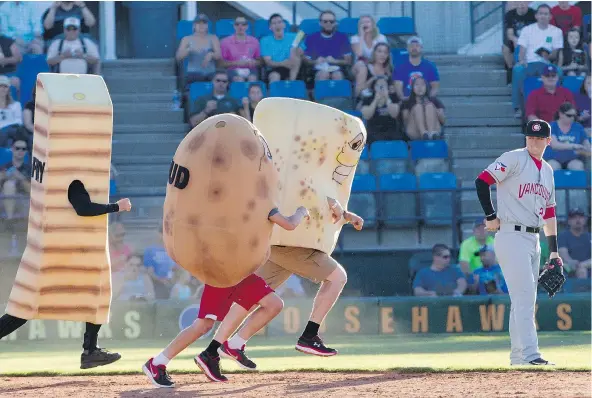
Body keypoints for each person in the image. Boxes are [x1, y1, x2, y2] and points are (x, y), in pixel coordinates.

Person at [143, 205, 310, 387]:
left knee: (274, 304)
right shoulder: (257, 202)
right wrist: (302, 211)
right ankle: (157, 363)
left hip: (241, 269)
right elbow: (289, 224)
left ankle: (232, 346)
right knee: (203, 325)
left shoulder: (251, 201)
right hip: (223, 268)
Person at [211, 198, 363, 371]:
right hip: (296, 245)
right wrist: (338, 209)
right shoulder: (308, 177)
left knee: (251, 297)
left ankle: (218, 349)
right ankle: (309, 335)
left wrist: (347, 215)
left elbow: (324, 202)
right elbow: (320, 198)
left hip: (278, 243)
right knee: (337, 277)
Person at [0, 180, 132, 369]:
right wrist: (116, 207)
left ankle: (91, 351)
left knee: (96, 293)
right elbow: (83, 208)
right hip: (63, 254)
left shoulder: (67, 177)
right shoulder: (75, 179)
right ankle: (90, 351)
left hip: (62, 252)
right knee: (25, 308)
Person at [475, 119, 560, 366]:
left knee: (523, 300)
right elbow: (482, 181)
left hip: (534, 238)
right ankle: (531, 355)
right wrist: (491, 216)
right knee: (524, 297)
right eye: (530, 137)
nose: (533, 141)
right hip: (511, 235)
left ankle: (518, 357)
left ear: (548, 141)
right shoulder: (513, 158)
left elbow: (549, 213)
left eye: (538, 138)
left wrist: (553, 251)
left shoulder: (547, 170)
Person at [511, 4, 564, 118]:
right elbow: (522, 49)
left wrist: (548, 56)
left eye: (546, 14)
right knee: (517, 69)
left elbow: (556, 52)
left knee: (558, 72)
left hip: (546, 64)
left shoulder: (556, 31)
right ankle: (517, 107)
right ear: (536, 16)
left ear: (550, 16)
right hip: (529, 63)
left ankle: (558, 106)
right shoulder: (527, 30)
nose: (543, 16)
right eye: (540, 13)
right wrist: (521, 60)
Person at [303, 10, 352, 82]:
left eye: (331, 21)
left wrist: (335, 61)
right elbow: (306, 60)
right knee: (323, 74)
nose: (328, 24)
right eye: (325, 21)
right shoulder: (311, 38)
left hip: (338, 69)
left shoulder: (342, 37)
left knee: (337, 75)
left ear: (335, 23)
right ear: (320, 23)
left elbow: (348, 61)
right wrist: (315, 61)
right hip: (317, 70)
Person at [175, 14, 221, 86]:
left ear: (207, 26)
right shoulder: (187, 39)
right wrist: (189, 49)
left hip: (210, 72)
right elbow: (178, 57)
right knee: (194, 78)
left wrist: (211, 54)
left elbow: (219, 55)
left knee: (220, 81)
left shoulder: (213, 38)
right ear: (194, 25)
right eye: (198, 23)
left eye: (204, 23)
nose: (201, 25)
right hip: (194, 72)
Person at [544, 102, 588, 171]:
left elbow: (586, 145)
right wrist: (574, 146)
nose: (572, 118)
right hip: (553, 158)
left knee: (577, 166)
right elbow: (555, 145)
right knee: (552, 167)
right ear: (561, 114)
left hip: (573, 158)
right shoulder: (552, 126)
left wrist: (585, 150)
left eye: (574, 116)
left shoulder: (578, 127)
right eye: (569, 115)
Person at [260, 13, 304, 83]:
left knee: (295, 51)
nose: (277, 25)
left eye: (280, 22)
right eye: (274, 23)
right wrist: (283, 63)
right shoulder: (265, 40)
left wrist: (295, 51)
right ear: (270, 27)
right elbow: (268, 62)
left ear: (284, 25)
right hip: (275, 68)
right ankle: (279, 92)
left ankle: (291, 84)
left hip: (294, 67)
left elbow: (302, 53)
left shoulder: (295, 37)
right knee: (274, 76)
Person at [400, 75, 445, 141]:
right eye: (416, 85)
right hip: (414, 130)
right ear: (412, 88)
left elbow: (443, 121)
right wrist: (416, 110)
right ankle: (424, 133)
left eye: (422, 85)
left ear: (426, 87)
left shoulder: (434, 100)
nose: (420, 87)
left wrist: (434, 109)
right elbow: (405, 122)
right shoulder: (407, 102)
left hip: (434, 130)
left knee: (429, 106)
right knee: (418, 107)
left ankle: (431, 133)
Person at [502, 2, 536, 84]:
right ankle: (510, 70)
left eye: (524, 2)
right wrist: (515, 39)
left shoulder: (534, 14)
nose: (521, 5)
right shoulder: (510, 14)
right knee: (505, 48)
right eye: (519, 2)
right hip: (516, 40)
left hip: (530, 41)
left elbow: (537, 31)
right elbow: (510, 34)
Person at [360, 76, 401, 143]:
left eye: (384, 85)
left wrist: (387, 98)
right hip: (374, 132)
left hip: (391, 131)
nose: (381, 87)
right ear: (374, 87)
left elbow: (394, 114)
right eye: (378, 85)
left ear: (388, 87)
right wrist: (375, 100)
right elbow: (366, 116)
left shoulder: (393, 98)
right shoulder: (368, 99)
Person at [220, 16, 261, 82]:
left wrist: (254, 62)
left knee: (252, 79)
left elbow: (260, 61)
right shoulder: (225, 42)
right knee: (239, 80)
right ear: (234, 26)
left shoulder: (254, 41)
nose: (240, 26)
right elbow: (221, 63)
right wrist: (236, 63)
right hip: (233, 70)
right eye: (237, 24)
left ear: (247, 26)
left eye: (243, 24)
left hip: (250, 69)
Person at [558, 208, 591, 279]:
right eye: (574, 218)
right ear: (569, 221)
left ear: (585, 220)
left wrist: (582, 265)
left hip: (587, 266)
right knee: (582, 271)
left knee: (582, 270)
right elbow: (564, 256)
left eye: (580, 217)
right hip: (569, 269)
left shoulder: (590, 237)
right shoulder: (563, 236)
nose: (578, 220)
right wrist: (572, 263)